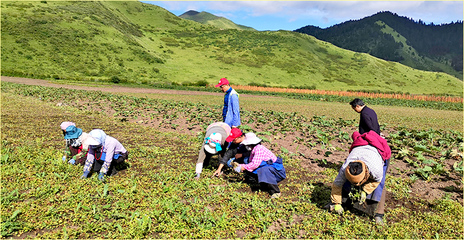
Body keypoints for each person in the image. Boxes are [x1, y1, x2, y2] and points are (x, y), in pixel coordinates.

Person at [328, 130, 391, 225]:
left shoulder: (376, 170)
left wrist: (365, 190)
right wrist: (336, 203)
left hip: (380, 150)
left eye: (358, 182)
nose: (357, 184)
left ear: (366, 174)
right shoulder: (346, 167)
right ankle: (344, 202)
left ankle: (378, 215)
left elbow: (376, 181)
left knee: (379, 187)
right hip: (360, 149)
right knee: (345, 182)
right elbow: (337, 184)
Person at [232, 133, 286, 199]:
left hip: (277, 172)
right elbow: (251, 163)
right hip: (269, 169)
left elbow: (255, 164)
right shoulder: (254, 150)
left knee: (264, 170)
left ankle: (276, 191)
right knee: (251, 172)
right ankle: (263, 185)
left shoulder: (259, 149)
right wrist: (240, 166)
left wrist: (243, 167)